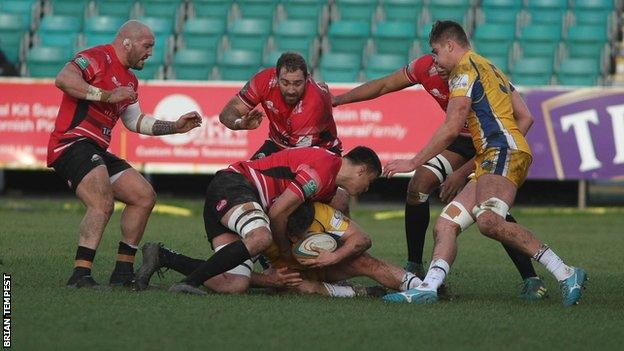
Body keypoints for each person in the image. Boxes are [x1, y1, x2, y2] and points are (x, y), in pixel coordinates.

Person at [382, 21, 586, 306]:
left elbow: (452, 128)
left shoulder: (463, 71)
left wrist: (414, 161)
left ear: (450, 46)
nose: (436, 60)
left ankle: (565, 272)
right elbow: (525, 116)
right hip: (496, 153)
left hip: (500, 150)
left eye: (437, 52)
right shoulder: (489, 67)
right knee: (446, 224)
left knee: (489, 221)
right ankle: (428, 287)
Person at [333, 54, 547, 299]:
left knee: (489, 208)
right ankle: (415, 266)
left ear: (451, 48)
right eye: (434, 57)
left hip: (492, 145)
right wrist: (338, 100)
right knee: (418, 184)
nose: (436, 65)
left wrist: (464, 172)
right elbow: (383, 85)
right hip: (461, 142)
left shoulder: (477, 71)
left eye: (440, 56)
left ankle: (532, 279)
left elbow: (525, 118)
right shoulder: (426, 67)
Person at [47, 20, 203, 289]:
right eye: (147, 46)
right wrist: (107, 95)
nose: (151, 52)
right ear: (127, 42)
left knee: (143, 196)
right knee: (102, 201)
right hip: (71, 143)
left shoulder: (130, 80)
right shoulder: (96, 57)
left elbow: (135, 121)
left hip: (96, 149)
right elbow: (64, 79)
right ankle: (80, 275)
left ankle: (122, 272)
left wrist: (174, 127)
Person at [164, 146, 381, 295]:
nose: (367, 188)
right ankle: (188, 283)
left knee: (233, 284)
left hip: (242, 202)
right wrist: (286, 254)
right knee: (261, 237)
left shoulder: (328, 182)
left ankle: (164, 256)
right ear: (361, 170)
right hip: (236, 185)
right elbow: (278, 213)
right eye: (370, 182)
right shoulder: (323, 170)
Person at [135, 201, 424, 297]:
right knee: (234, 281)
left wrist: (333, 255)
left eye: (303, 234)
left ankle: (422, 287)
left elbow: (361, 238)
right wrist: (269, 279)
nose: (297, 240)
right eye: (293, 236)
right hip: (284, 269)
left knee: (366, 261)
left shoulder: (321, 212)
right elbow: (232, 266)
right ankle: (167, 257)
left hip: (327, 259)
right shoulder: (261, 229)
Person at [218, 52, 350, 214]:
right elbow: (226, 114)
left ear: (308, 79)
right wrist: (240, 123)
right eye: (285, 83)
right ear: (276, 76)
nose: (291, 90)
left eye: (297, 83)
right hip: (279, 143)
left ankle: (345, 236)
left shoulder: (313, 104)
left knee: (334, 202)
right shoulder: (264, 80)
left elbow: (297, 158)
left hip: (321, 151)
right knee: (248, 184)